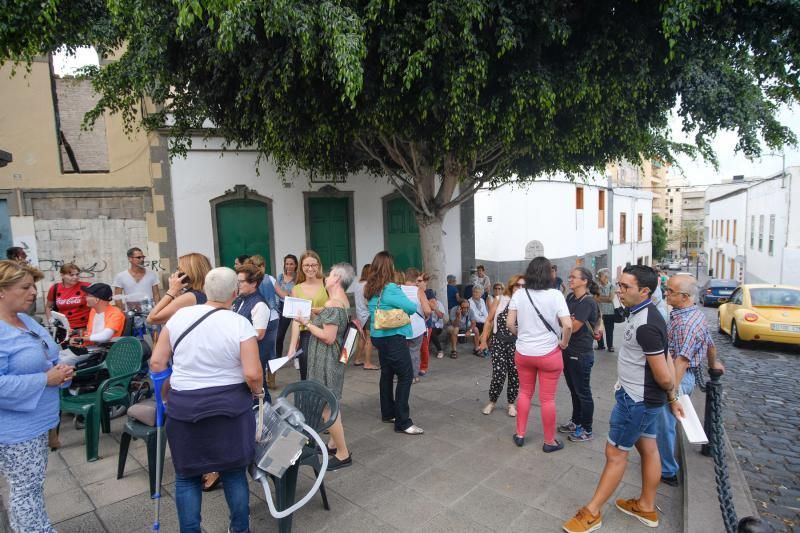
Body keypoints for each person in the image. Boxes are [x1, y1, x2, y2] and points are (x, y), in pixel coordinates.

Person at [563, 265, 683, 533]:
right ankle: (646, 506)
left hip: (637, 401)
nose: (619, 290)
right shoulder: (644, 313)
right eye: (619, 285)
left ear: (645, 291)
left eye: (625, 287)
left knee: (615, 454)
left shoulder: (647, 324)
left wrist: (672, 396)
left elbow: (664, 374)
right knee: (648, 449)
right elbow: (662, 356)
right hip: (641, 398)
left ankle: (592, 513)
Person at [149, 267, 262, 533]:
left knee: (187, 476)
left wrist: (167, 395)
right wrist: (258, 393)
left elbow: (156, 362)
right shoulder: (239, 323)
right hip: (230, 408)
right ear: (234, 294)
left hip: (185, 406)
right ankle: (239, 529)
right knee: (234, 472)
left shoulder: (179, 318)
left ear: (206, 291)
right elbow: (253, 373)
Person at [0, 260, 73, 533]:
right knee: (25, 491)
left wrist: (61, 373)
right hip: (16, 429)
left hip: (38, 421)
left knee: (31, 487)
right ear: (1, 291)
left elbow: (47, 356)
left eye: (33, 285)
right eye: (25, 287)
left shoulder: (26, 320)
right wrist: (46, 378)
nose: (33, 292)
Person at [657, 273, 723, 487]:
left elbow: (681, 362)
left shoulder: (686, 323)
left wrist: (671, 394)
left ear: (685, 296)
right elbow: (711, 343)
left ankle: (667, 470)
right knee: (665, 421)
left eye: (670, 292)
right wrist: (713, 364)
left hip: (679, 376)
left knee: (665, 422)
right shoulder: (692, 314)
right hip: (681, 374)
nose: (666, 294)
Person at [293, 263, 356, 470]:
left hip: (326, 360)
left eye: (329, 274)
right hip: (332, 359)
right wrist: (312, 314)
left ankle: (343, 453)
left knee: (327, 407)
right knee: (332, 404)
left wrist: (306, 322)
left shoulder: (334, 303)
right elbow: (328, 320)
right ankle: (332, 443)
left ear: (337, 278)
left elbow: (328, 337)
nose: (326, 277)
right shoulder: (340, 302)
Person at [507, 257, 571, 451]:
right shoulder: (556, 295)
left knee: (525, 393)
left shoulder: (519, 294)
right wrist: (564, 343)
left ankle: (520, 434)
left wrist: (521, 336)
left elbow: (510, 323)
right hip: (549, 354)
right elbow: (567, 324)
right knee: (548, 399)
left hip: (524, 353)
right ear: (548, 274)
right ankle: (549, 441)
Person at [364, 251, 424, 435]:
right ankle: (403, 422)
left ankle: (388, 412)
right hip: (393, 337)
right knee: (406, 376)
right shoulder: (390, 288)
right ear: (389, 268)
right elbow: (412, 308)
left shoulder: (371, 287)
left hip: (378, 336)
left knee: (387, 374)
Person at [558, 267, 600, 443]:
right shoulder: (570, 297)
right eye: (570, 276)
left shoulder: (587, 302)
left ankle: (587, 429)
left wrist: (565, 322)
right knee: (574, 390)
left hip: (581, 353)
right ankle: (576, 422)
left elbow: (573, 327)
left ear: (584, 281)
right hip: (568, 350)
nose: (570, 279)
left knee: (583, 392)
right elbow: (565, 320)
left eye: (574, 277)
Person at [479, 275, 524, 417]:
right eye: (517, 285)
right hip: (498, 342)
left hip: (517, 344)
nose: (520, 288)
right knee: (499, 374)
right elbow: (488, 320)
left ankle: (511, 404)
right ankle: (492, 401)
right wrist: (483, 341)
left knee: (514, 375)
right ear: (511, 286)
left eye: (523, 286)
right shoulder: (499, 300)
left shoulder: (525, 302)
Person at [60, 283, 126, 366]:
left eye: (88, 295)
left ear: (97, 299)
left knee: (60, 362)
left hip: (102, 352)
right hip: (90, 348)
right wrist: (76, 333)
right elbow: (92, 332)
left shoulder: (115, 313)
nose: (85, 297)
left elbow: (105, 336)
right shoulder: (94, 311)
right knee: (55, 356)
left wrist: (82, 339)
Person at [234, 264, 272, 404]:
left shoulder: (259, 304)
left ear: (254, 283)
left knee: (260, 393)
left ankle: (267, 421)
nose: (238, 284)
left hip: (255, 355)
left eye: (241, 281)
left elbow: (259, 334)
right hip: (243, 354)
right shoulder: (241, 299)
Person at [288, 251, 329, 380]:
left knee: (324, 374)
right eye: (306, 265)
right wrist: (292, 347)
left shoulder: (327, 283)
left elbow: (337, 308)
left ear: (319, 266)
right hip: (306, 335)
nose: (310, 268)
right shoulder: (296, 289)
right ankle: (308, 400)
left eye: (313, 265)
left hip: (325, 332)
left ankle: (324, 400)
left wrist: (314, 310)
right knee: (306, 373)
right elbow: (296, 321)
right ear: (301, 267)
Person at [243, 255, 280, 389]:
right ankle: (270, 380)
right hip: (273, 317)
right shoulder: (270, 278)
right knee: (270, 350)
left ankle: (261, 379)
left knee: (256, 350)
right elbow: (283, 295)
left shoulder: (249, 282)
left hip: (256, 318)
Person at [147, 253, 212, 325]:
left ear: (189, 273)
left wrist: (172, 291)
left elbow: (151, 318)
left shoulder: (190, 297)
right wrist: (178, 293)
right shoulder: (206, 292)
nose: (176, 273)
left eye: (179, 269)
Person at [45, 262, 90, 333]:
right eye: (71, 275)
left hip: (84, 327)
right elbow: (48, 307)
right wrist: (51, 320)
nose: (75, 277)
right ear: (62, 275)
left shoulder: (87, 286)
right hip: (63, 327)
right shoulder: (55, 288)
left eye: (77, 274)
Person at [403, 268, 431, 382]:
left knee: (401, 352)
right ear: (415, 279)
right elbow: (427, 310)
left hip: (401, 326)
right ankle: (413, 377)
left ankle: (400, 375)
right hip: (417, 328)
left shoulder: (398, 289)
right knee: (414, 352)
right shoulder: (419, 291)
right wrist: (426, 315)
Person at [351, 264, 378, 369]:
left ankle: (357, 359)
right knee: (369, 339)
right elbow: (367, 302)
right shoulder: (368, 285)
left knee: (362, 338)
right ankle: (367, 363)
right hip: (368, 314)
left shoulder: (358, 284)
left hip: (360, 314)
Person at [274, 254, 298, 357]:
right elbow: (276, 292)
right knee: (279, 335)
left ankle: (297, 355)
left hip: (296, 306)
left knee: (299, 334)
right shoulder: (280, 277)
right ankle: (278, 357)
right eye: (287, 264)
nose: (289, 266)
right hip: (282, 307)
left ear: (296, 265)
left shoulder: (298, 278)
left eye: (291, 264)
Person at [595, 269, 616, 352]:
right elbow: (595, 298)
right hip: (599, 312)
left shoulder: (612, 286)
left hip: (610, 312)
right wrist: (605, 298)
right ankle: (601, 345)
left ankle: (610, 346)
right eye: (599, 276)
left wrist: (599, 298)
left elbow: (610, 299)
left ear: (606, 277)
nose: (599, 278)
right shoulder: (597, 287)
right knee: (598, 329)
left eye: (600, 276)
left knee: (609, 330)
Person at [468, 286, 489, 355]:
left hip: (482, 321)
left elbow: (485, 313)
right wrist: (485, 321)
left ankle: (485, 346)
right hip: (473, 322)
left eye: (478, 292)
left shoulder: (482, 300)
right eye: (474, 292)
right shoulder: (469, 302)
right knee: (485, 327)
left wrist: (487, 320)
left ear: (481, 294)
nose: (475, 293)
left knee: (491, 326)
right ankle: (479, 347)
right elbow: (474, 316)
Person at [426, 289, 446, 359]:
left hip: (437, 326)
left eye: (433, 299)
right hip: (427, 325)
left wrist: (435, 308)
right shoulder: (425, 304)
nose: (432, 300)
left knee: (432, 332)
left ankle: (440, 350)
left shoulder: (439, 303)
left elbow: (441, 316)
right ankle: (425, 351)